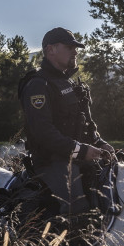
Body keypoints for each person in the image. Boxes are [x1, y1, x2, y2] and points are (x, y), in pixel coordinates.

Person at [18, 27, 115, 215]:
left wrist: (100, 143)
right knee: (77, 205)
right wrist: (82, 150)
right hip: (52, 161)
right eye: (69, 46)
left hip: (77, 158)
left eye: (75, 47)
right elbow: (43, 132)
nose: (75, 50)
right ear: (50, 50)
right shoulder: (38, 84)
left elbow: (86, 124)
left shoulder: (69, 83)